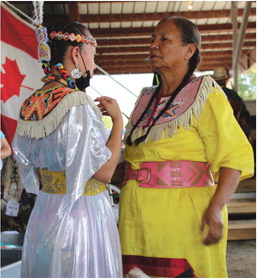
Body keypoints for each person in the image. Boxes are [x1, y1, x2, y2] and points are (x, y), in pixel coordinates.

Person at [117, 16, 254, 278]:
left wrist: (215, 208)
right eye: (152, 39)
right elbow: (133, 160)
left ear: (189, 50)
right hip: (134, 220)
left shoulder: (205, 93)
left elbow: (234, 158)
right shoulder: (145, 99)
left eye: (164, 39)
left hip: (184, 221)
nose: (154, 45)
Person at [12, 21, 123, 278]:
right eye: (92, 53)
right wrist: (117, 121)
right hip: (81, 216)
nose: (93, 63)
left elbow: (30, 166)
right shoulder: (76, 103)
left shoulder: (31, 102)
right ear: (76, 53)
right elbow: (104, 172)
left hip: (46, 210)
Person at [212, 67, 252, 139]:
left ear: (214, 81)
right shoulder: (233, 94)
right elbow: (244, 114)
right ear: (225, 80)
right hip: (233, 128)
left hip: (215, 130)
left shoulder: (210, 94)